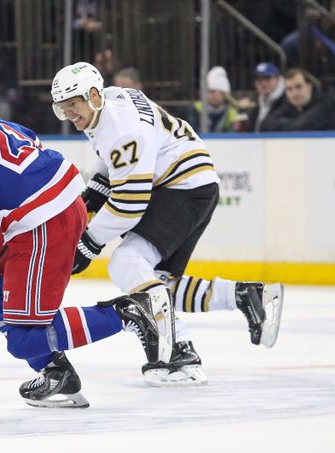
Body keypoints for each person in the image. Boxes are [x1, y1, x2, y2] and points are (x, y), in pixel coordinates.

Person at [0, 75, 171, 408]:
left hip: (41, 220)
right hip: (50, 207)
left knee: (24, 339)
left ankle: (130, 311)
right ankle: (57, 374)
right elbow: (29, 143)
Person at [50, 62, 284, 386]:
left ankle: (177, 351)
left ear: (92, 95)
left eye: (72, 106)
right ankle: (244, 295)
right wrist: (96, 190)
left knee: (127, 263)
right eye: (62, 110)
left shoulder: (121, 130)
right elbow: (114, 156)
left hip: (182, 188)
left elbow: (130, 204)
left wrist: (87, 244)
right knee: (156, 284)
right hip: (192, 184)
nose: (70, 115)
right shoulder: (112, 99)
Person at [260, 68, 335, 131]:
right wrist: (293, 124)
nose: (294, 93)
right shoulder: (286, 104)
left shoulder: (325, 103)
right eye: (289, 89)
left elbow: (302, 126)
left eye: (299, 87)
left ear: (309, 87)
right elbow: (265, 124)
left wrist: (286, 125)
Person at [189, 66, 239, 133]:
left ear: (223, 94)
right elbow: (188, 133)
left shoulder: (231, 112)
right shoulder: (195, 110)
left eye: (213, 91)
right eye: (207, 91)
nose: (209, 95)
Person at [247, 62, 287, 132]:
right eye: (259, 80)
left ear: (277, 78)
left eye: (267, 78)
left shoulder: (287, 99)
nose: (263, 83)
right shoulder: (258, 101)